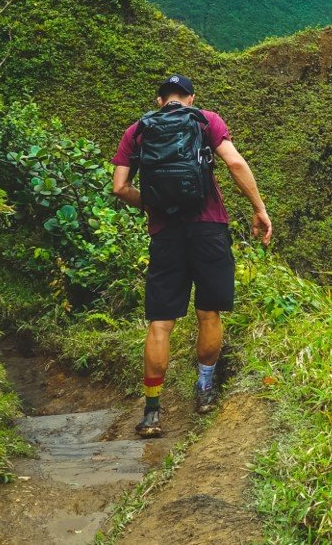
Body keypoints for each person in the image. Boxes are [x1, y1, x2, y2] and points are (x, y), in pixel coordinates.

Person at [111, 74, 272, 437]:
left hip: (165, 233)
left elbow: (120, 187)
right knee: (208, 311)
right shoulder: (206, 120)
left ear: (159, 100)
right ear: (191, 97)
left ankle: (152, 411)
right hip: (209, 229)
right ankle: (204, 390)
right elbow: (234, 164)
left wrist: (153, 203)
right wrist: (259, 208)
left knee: (161, 323)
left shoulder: (137, 131)